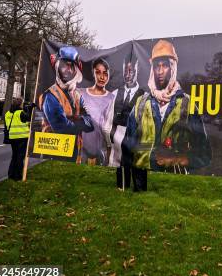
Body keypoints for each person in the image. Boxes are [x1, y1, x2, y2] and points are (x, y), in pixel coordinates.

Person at [123, 39, 211, 191]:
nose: (160, 70)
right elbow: (127, 145)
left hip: (173, 186)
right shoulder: (141, 103)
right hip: (141, 184)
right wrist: (125, 181)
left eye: (165, 65)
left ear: (173, 67)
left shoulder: (187, 104)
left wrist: (177, 159)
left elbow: (204, 154)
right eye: (157, 66)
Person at [39, 46, 94, 162]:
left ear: (76, 70)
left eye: (71, 66)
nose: (67, 70)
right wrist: (80, 121)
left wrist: (75, 120)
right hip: (55, 153)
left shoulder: (77, 95)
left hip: (73, 152)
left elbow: (91, 124)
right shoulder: (50, 96)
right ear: (58, 67)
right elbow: (62, 128)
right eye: (63, 65)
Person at [109, 54, 144, 189]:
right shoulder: (115, 93)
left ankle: (139, 189)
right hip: (118, 134)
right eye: (125, 71)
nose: (127, 75)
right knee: (120, 162)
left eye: (131, 71)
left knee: (137, 163)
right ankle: (122, 187)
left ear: (137, 71)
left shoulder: (144, 95)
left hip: (136, 135)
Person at [79, 58, 114, 166]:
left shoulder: (111, 97)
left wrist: (109, 151)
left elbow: (107, 127)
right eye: (98, 72)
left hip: (100, 150)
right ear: (93, 73)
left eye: (105, 73)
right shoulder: (80, 93)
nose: (102, 77)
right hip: (79, 150)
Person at [4, 99, 31, 180]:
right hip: (21, 137)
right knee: (20, 157)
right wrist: (30, 109)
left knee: (14, 156)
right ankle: (18, 176)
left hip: (12, 137)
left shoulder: (8, 113)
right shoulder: (20, 113)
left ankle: (11, 174)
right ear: (20, 105)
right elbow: (29, 118)